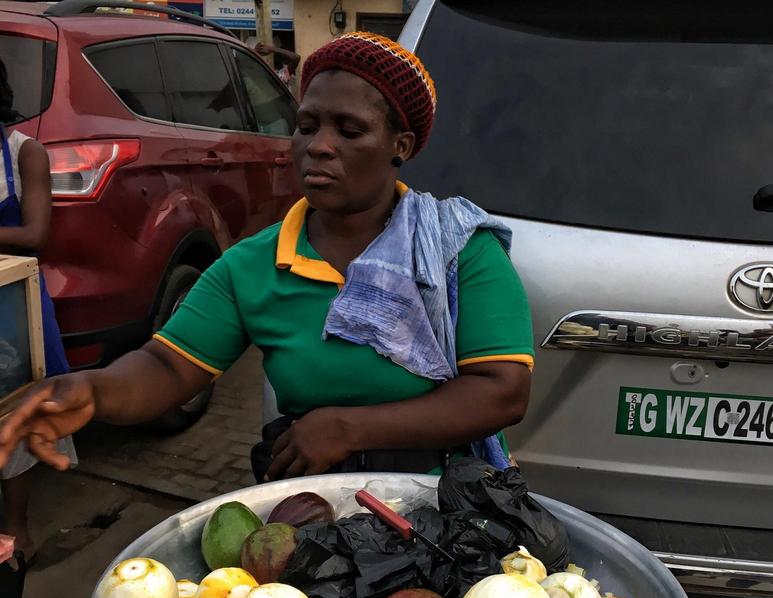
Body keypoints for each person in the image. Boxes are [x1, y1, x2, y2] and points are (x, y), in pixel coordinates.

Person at [0, 33, 533, 485]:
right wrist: (91, 390)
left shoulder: (458, 248)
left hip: (446, 499)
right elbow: (168, 366)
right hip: (312, 503)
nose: (319, 147)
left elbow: (500, 391)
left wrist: (349, 428)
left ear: (401, 145)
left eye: (349, 131)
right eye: (306, 126)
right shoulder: (254, 265)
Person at [0, 59, 76, 554]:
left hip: (10, 305)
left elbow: (35, 234)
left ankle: (16, 531)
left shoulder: (24, 153)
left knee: (16, 411)